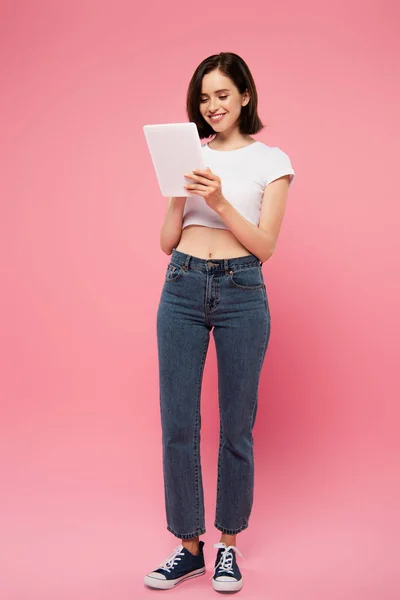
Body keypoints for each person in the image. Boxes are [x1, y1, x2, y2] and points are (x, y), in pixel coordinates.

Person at [144, 52, 295, 593]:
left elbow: (265, 246)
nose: (213, 106)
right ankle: (189, 548)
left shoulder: (272, 162)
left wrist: (220, 200)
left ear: (245, 96)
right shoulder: (189, 158)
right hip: (181, 285)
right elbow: (167, 242)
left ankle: (227, 546)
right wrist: (179, 195)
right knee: (178, 425)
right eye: (204, 98)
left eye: (223, 95)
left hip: (241, 290)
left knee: (237, 426)